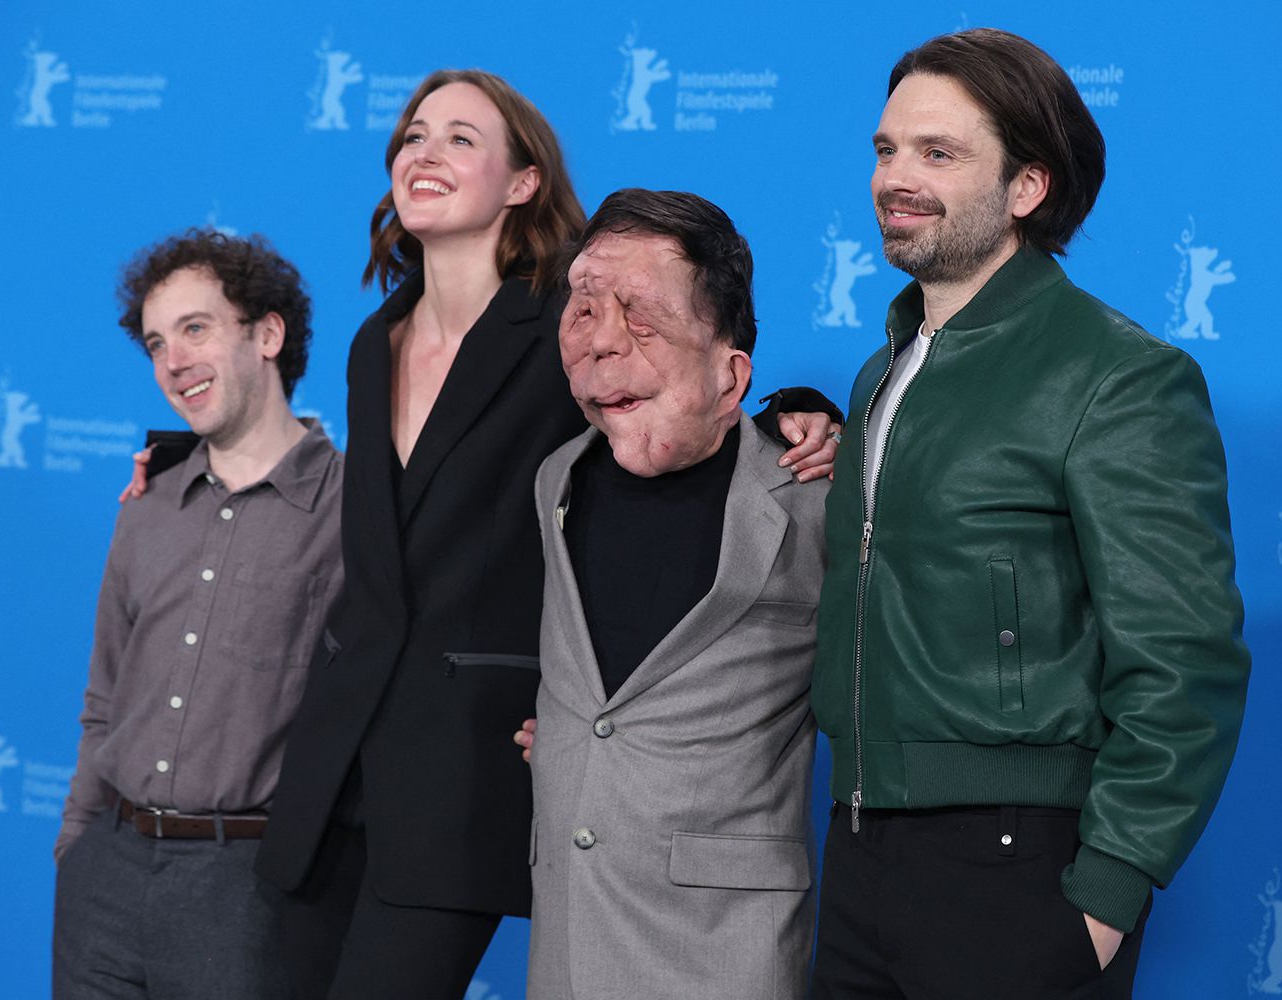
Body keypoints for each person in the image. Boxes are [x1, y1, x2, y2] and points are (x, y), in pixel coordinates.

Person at [251, 71, 840, 1000]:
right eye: (412, 135)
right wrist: (179, 460)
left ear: (524, 181)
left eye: (459, 137)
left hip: (467, 773)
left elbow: (685, 394)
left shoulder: (561, 328)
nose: (424, 153)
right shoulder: (375, 340)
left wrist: (808, 414)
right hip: (338, 758)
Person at [808, 29, 1252, 999]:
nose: (896, 177)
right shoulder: (885, 370)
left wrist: (1105, 894)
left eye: (939, 153)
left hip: (1016, 871)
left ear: (1028, 187)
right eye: (887, 150)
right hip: (856, 855)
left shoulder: (1118, 376)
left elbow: (1186, 662)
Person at [520, 190, 829, 999]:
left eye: (642, 317)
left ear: (732, 377)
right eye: (583, 311)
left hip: (725, 945)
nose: (603, 344)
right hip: (568, 934)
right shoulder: (556, 479)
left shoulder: (818, 495)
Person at [54, 229, 341, 999]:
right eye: (155, 342)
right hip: (103, 875)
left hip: (247, 890)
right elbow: (103, 700)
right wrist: (77, 850)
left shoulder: (353, 511)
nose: (172, 361)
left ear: (268, 334)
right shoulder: (146, 508)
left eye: (195, 328)